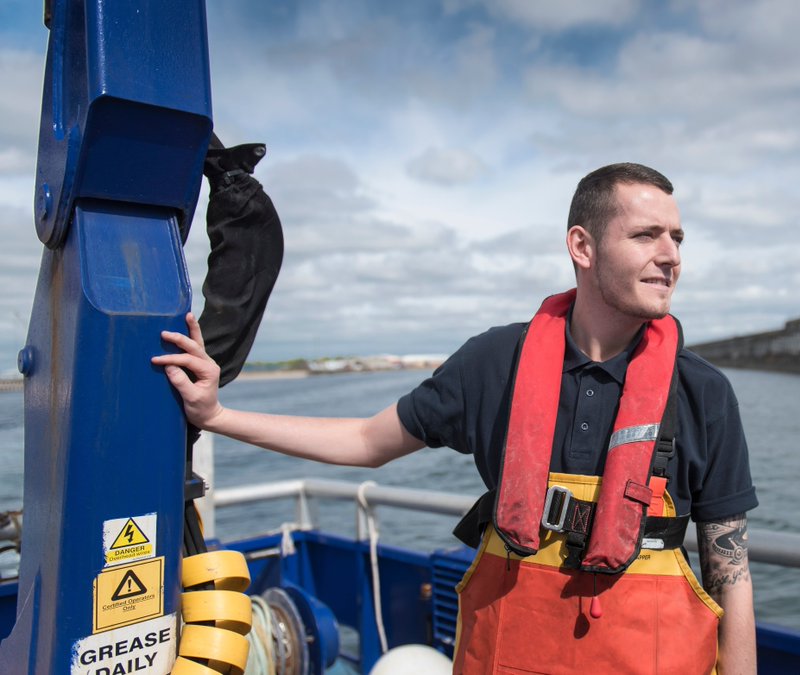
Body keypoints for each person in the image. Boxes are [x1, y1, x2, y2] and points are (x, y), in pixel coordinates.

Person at [153, 163, 758, 674]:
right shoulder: (494, 363)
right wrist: (218, 413)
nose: (671, 256)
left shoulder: (702, 391)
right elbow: (367, 441)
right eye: (647, 235)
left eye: (678, 238)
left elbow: (730, 575)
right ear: (582, 245)